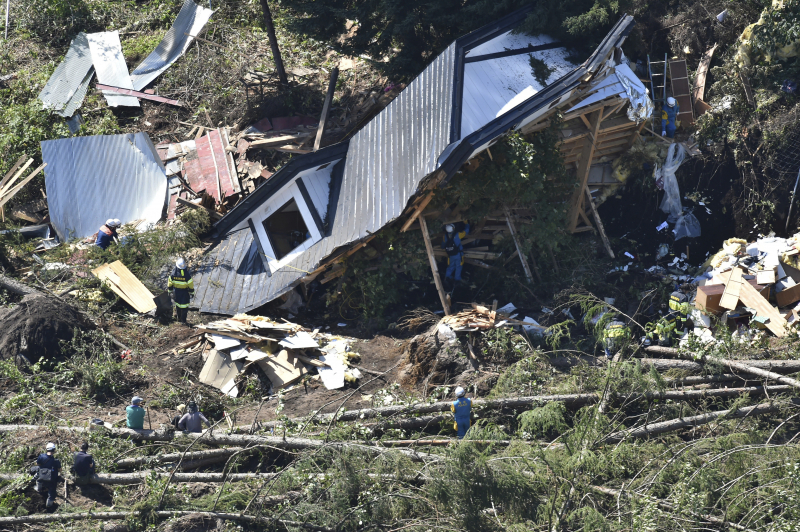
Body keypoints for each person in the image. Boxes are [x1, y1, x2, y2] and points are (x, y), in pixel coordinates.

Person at [34, 442, 61, 508]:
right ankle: (49, 506)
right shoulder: (56, 461)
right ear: (54, 450)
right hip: (51, 480)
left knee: (38, 478)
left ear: (46, 449)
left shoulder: (41, 456)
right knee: (52, 492)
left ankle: (38, 488)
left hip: (41, 478)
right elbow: (60, 470)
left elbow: (37, 464)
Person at [168, 258, 195, 324]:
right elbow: (190, 284)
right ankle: (183, 321)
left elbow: (170, 283)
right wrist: (192, 292)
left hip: (176, 292)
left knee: (178, 305)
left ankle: (178, 318)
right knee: (185, 307)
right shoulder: (187, 275)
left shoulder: (173, 274)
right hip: (184, 292)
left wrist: (170, 291)